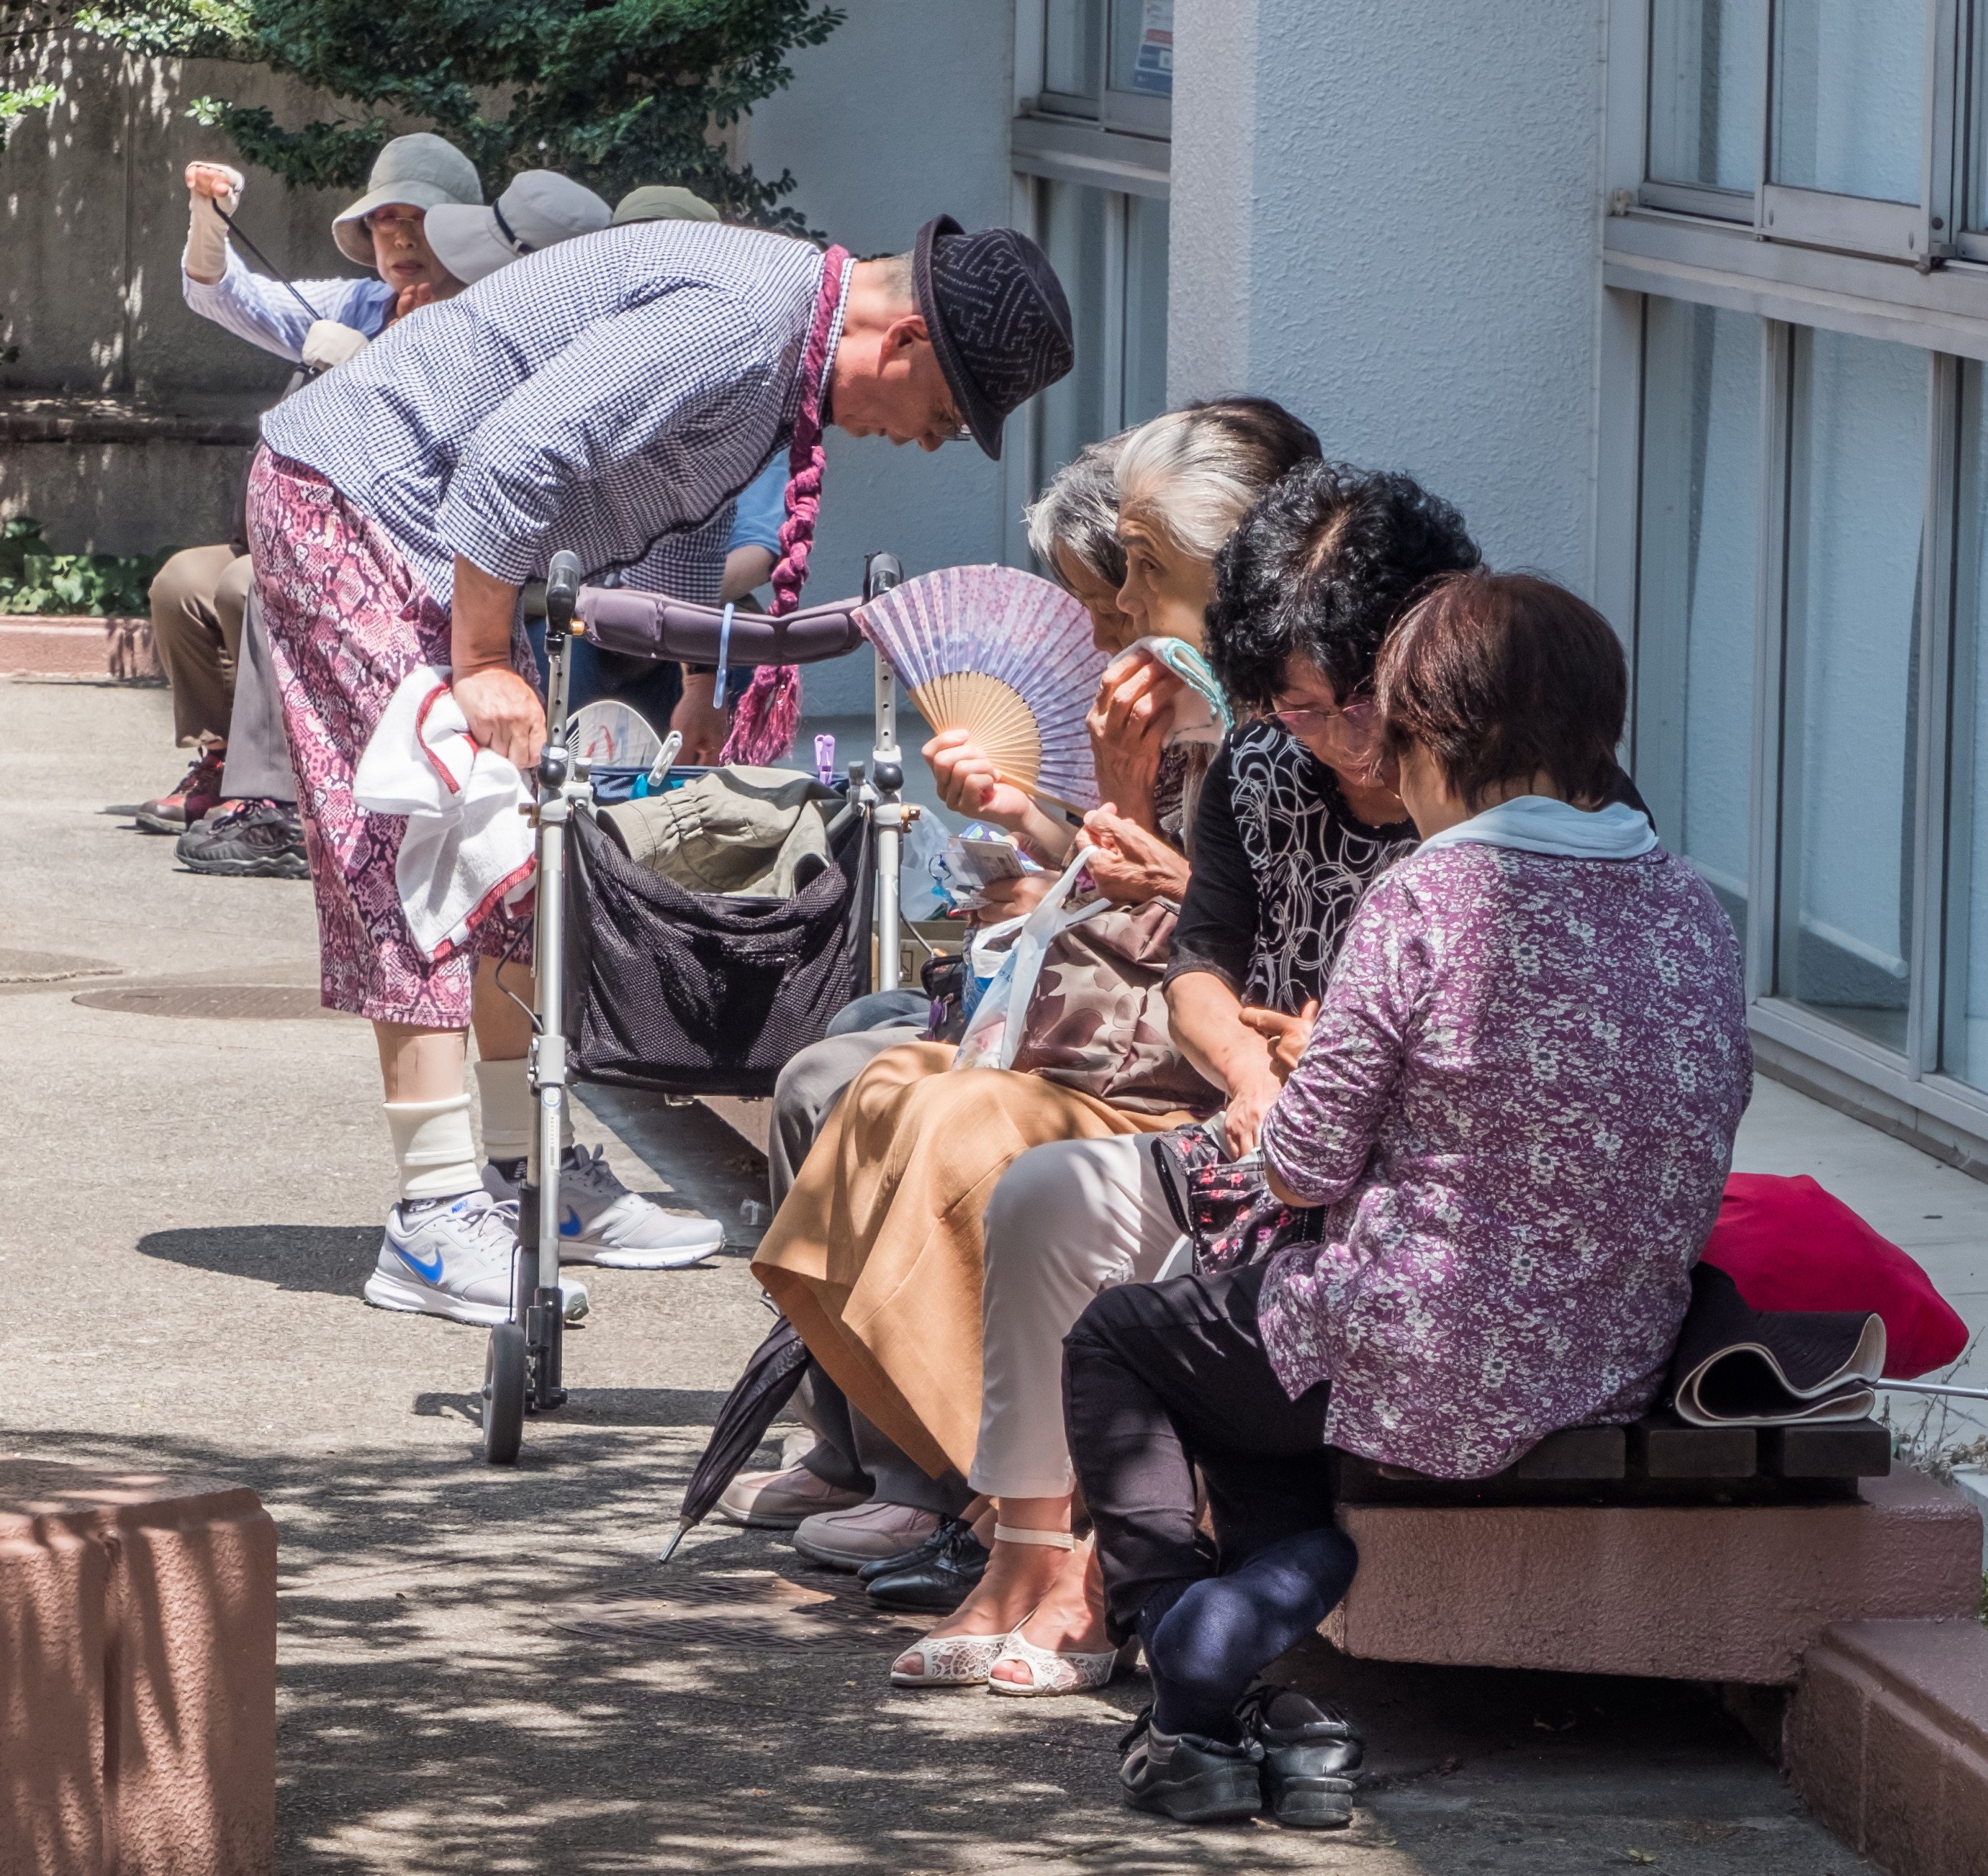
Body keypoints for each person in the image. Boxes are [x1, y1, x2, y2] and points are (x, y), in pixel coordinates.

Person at [245, 212, 1074, 1324]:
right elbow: (522, 451)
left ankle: (524, 1172)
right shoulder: (743, 317)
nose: (919, 441)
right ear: (906, 338)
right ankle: (436, 1213)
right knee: (430, 832)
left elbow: (667, 504)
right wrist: (483, 658)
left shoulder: (775, 343)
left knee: (515, 847)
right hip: (359, 503)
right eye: (938, 418)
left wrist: (698, 686)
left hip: (453, 541)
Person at [1065, 569, 1753, 1826]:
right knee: (1257, 1342)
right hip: (1608, 1359)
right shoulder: (1692, 907)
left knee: (1125, 1337)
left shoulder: (1425, 894)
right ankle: (1257, 1643)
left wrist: (1300, 1069)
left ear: (1434, 739)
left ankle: (1178, 1652)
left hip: (1414, 1363)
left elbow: (1304, 1162)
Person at [885, 460, 1480, 1696]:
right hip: (1269, 1134)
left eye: (1344, 709)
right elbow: (1198, 966)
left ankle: (1105, 1582)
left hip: (1410, 1187)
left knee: (1169, 1273)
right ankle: (1030, 1557)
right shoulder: (1268, 768)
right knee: (1045, 1196)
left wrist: (1340, 1065)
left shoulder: (1488, 784)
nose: (1328, 741)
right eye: (1296, 710)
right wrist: (1251, 1072)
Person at [747, 402, 1319, 1590]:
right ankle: (914, 1463)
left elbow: (1239, 945)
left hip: (1193, 1079)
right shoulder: (1198, 702)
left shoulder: (1293, 729)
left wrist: (1115, 829)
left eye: (1140, 573)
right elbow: (1154, 891)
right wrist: (1049, 827)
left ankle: (982, 1505)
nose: (1111, 612)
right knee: (854, 1075)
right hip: (1130, 1036)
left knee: (939, 1109)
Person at [142, 135, 485, 844]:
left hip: (399, 555)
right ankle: (225, 754)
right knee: (183, 582)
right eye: (384, 223)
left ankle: (288, 782)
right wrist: (212, 218)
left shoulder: (485, 315)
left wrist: (373, 367)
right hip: (300, 530)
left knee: (247, 585)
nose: (399, 239)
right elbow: (224, 295)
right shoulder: (357, 301)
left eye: (418, 221)